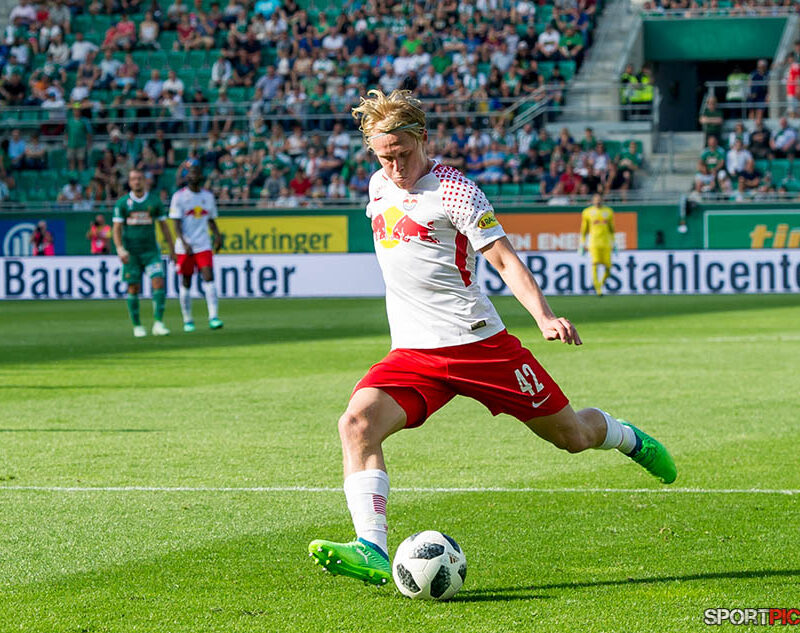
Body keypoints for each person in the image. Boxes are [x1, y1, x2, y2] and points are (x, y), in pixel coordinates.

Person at [307, 90, 677, 586]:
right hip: (413, 352)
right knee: (356, 424)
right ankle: (370, 547)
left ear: (422, 138)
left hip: (479, 346)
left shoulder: (456, 191)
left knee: (572, 437)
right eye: (384, 156)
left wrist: (544, 316)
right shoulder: (379, 184)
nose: (395, 166)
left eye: (403, 153)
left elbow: (503, 259)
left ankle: (626, 436)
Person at [112, 169, 175, 338]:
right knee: (133, 287)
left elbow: (164, 227)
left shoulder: (154, 201)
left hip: (150, 251)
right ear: (129, 182)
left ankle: (158, 323)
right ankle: (137, 325)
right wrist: (119, 248)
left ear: (145, 181)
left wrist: (172, 249)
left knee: (158, 281)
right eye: (133, 179)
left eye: (139, 178)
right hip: (131, 253)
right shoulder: (123, 203)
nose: (137, 181)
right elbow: (116, 229)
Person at [169, 160, 224, 332]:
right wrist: (184, 242)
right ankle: (188, 320)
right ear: (187, 176)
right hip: (185, 246)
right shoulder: (179, 197)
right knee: (186, 281)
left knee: (209, 276)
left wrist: (217, 235)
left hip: (203, 244)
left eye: (197, 172)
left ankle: (213, 317)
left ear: (201, 176)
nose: (194, 175)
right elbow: (176, 224)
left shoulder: (208, 196)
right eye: (191, 172)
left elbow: (211, 220)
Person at [578, 193, 616, 296]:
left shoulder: (608, 211)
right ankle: (598, 289)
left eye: (599, 199)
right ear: (593, 201)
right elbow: (584, 229)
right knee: (595, 264)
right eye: (596, 199)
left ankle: (601, 284)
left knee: (608, 267)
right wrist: (582, 243)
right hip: (594, 242)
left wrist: (614, 243)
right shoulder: (587, 212)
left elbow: (611, 229)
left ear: (602, 200)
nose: (598, 201)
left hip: (606, 243)